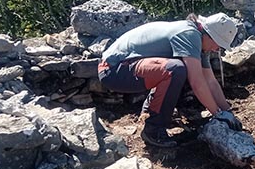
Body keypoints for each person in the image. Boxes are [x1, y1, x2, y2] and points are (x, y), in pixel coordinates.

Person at [98, 13, 243, 148]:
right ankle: (154, 130)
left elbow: (210, 81)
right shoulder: (190, 35)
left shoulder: (200, 40)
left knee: (181, 68)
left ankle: (152, 111)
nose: (217, 49)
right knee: (175, 69)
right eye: (218, 44)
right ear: (209, 35)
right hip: (113, 69)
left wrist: (228, 112)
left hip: (128, 66)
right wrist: (218, 114)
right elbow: (197, 82)